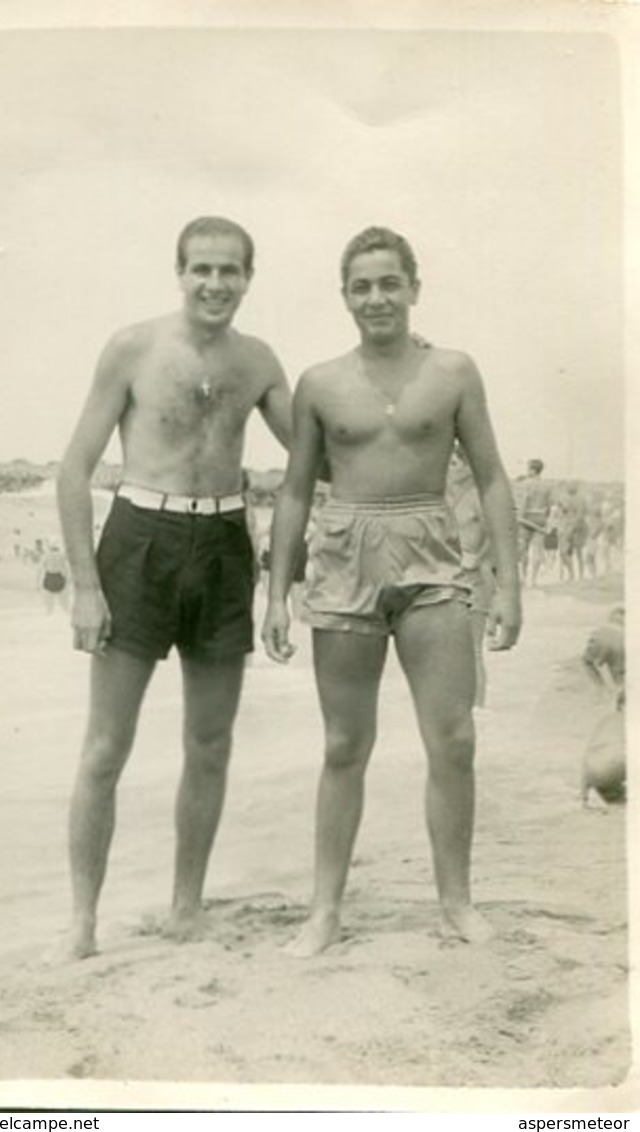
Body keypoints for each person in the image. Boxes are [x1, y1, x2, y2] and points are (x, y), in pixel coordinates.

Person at [263, 226, 521, 955]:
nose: (376, 297)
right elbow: (291, 494)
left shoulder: (454, 372)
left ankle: (457, 904)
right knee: (345, 742)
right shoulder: (319, 383)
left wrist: (508, 585)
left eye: (389, 283)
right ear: (345, 296)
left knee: (455, 740)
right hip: (344, 556)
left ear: (414, 287)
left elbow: (494, 476)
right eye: (361, 286)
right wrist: (275, 594)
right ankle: (325, 911)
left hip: (433, 554)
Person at [56, 216, 292, 959]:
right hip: (139, 540)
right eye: (202, 269)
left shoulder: (259, 362)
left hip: (223, 544)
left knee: (211, 743)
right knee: (104, 748)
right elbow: (73, 471)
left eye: (230, 271)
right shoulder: (133, 347)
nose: (215, 283)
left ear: (250, 278)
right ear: (179, 272)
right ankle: (82, 924)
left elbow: (314, 449)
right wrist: (87, 588)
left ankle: (186, 906)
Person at [446, 444, 497, 709]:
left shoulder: (478, 495)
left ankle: (478, 708)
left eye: (456, 464)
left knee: (472, 650)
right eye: (449, 464)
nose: (451, 469)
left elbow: (496, 533)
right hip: (448, 579)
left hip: (474, 577)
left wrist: (477, 556)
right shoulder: (446, 495)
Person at [516, 459, 551, 587]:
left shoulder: (525, 484)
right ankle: (533, 580)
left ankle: (524, 577)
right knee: (537, 550)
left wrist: (519, 516)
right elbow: (548, 506)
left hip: (527, 517)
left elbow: (524, 501)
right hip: (540, 517)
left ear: (532, 470)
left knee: (523, 549)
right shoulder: (546, 486)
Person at [38, 540, 71, 613]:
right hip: (59, 577)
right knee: (63, 600)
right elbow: (66, 568)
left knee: (49, 599)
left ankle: (49, 612)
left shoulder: (46, 556)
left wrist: (38, 582)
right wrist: (68, 579)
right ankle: (66, 611)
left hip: (49, 577)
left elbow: (40, 569)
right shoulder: (62, 555)